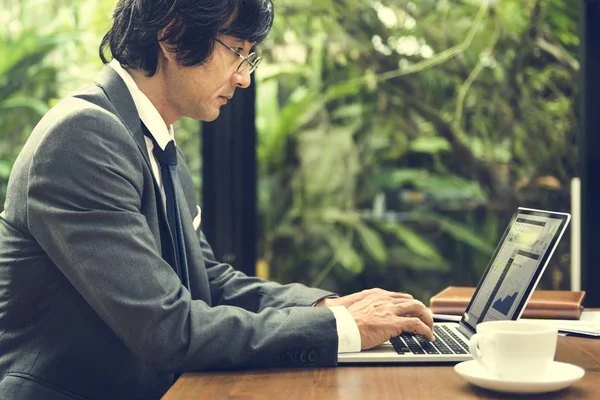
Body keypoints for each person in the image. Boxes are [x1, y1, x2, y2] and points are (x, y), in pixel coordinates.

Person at [0, 0, 434, 399]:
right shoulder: (82, 138)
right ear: (172, 36)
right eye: (237, 50)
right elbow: (167, 328)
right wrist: (340, 328)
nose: (245, 76)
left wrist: (324, 307)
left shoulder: (150, 137)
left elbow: (208, 281)